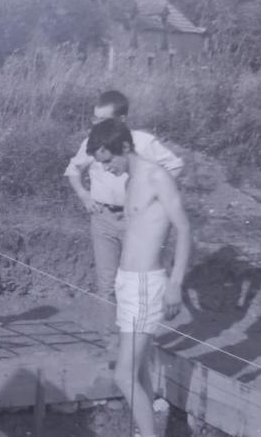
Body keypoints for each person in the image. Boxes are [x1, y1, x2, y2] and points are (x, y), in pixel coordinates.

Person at [86, 119, 191, 437]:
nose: (107, 168)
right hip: (128, 283)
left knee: (123, 375)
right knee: (139, 369)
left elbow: (184, 229)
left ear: (126, 148)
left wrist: (175, 284)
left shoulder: (157, 176)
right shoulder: (131, 180)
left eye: (109, 160)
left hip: (147, 285)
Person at [64, 90, 184, 339]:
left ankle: (139, 340)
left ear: (122, 119)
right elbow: (73, 170)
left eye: (103, 120)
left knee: (137, 282)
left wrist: (152, 197)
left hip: (137, 222)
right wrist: (85, 196)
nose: (96, 125)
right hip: (103, 217)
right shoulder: (94, 141)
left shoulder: (143, 142)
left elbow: (174, 165)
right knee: (107, 284)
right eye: (94, 119)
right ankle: (112, 343)